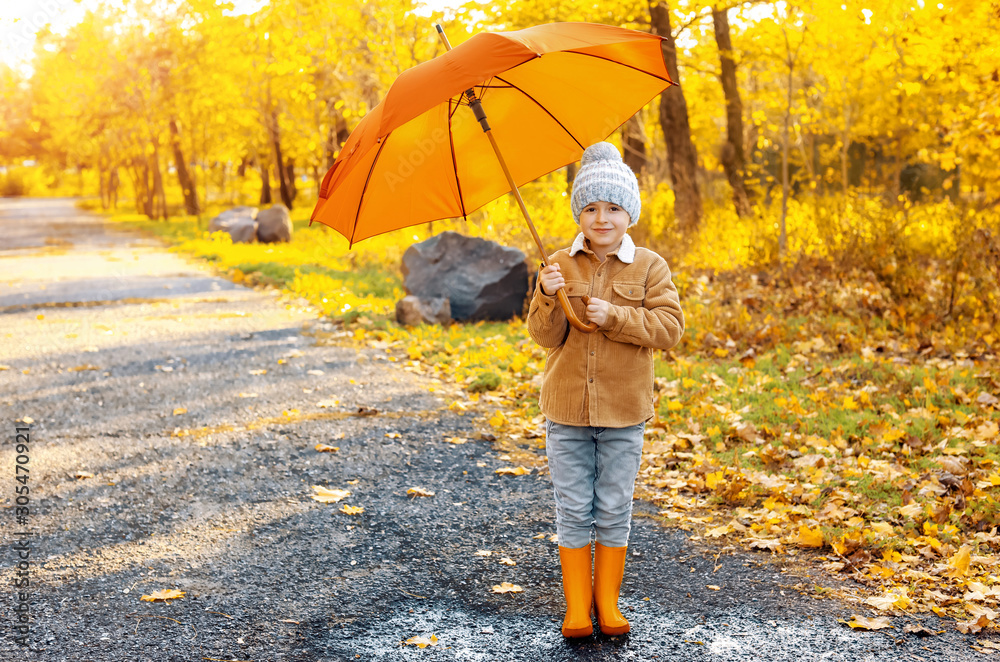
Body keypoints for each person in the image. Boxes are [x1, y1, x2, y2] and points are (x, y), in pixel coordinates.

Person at [527, 142, 685, 637]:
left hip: (623, 410)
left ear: (629, 213)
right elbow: (544, 336)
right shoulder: (557, 264)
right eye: (591, 208)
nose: (602, 218)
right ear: (579, 212)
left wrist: (614, 315)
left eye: (613, 208)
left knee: (614, 506)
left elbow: (669, 327)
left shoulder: (650, 266)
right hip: (567, 409)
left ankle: (608, 604)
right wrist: (547, 295)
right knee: (574, 507)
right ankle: (577, 608)